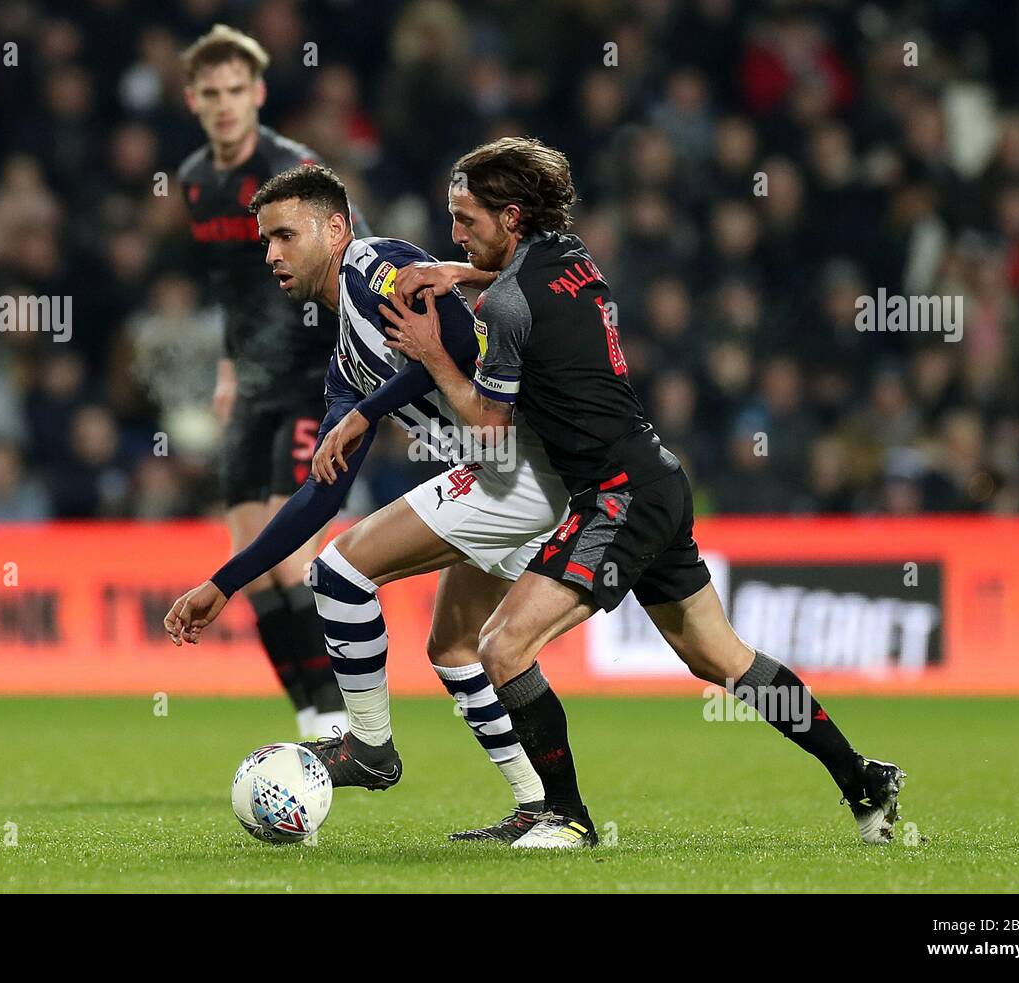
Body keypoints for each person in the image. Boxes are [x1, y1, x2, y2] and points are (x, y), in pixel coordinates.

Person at [375, 137, 905, 848]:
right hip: (659, 475)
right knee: (722, 659)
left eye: (466, 221)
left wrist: (432, 353)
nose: (455, 234)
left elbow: (493, 430)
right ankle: (862, 777)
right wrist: (462, 271)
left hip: (617, 494)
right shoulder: (570, 254)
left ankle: (564, 816)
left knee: (502, 646)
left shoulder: (505, 305)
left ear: (510, 216)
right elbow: (522, 283)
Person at [164, 165, 573, 843]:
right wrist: (224, 582)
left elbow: (462, 346)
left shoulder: (377, 264)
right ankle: (539, 804)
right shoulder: (347, 363)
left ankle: (370, 748)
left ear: (335, 228)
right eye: (265, 242)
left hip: (522, 461)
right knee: (454, 648)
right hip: (511, 474)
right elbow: (319, 495)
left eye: (285, 236)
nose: (271, 254)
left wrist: (367, 414)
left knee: (338, 573)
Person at [177, 25, 365, 739]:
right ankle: (313, 716)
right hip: (253, 379)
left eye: (236, 91)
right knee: (248, 560)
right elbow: (231, 288)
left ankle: (344, 717)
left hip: (313, 374)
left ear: (256, 93)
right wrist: (230, 363)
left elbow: (357, 247)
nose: (225, 105)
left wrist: (357, 359)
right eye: (211, 93)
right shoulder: (197, 180)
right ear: (194, 99)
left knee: (289, 551)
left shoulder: (295, 170)